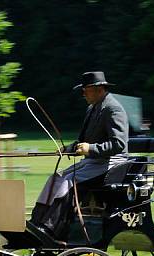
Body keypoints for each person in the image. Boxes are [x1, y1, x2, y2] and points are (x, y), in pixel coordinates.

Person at [27, 71, 129, 241]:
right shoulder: (92, 109)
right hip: (93, 162)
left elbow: (119, 144)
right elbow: (83, 142)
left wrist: (90, 148)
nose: (83, 94)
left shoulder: (113, 109)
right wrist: (69, 148)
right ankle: (36, 222)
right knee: (56, 178)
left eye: (85, 90)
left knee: (68, 182)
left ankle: (51, 228)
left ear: (98, 89)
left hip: (111, 164)